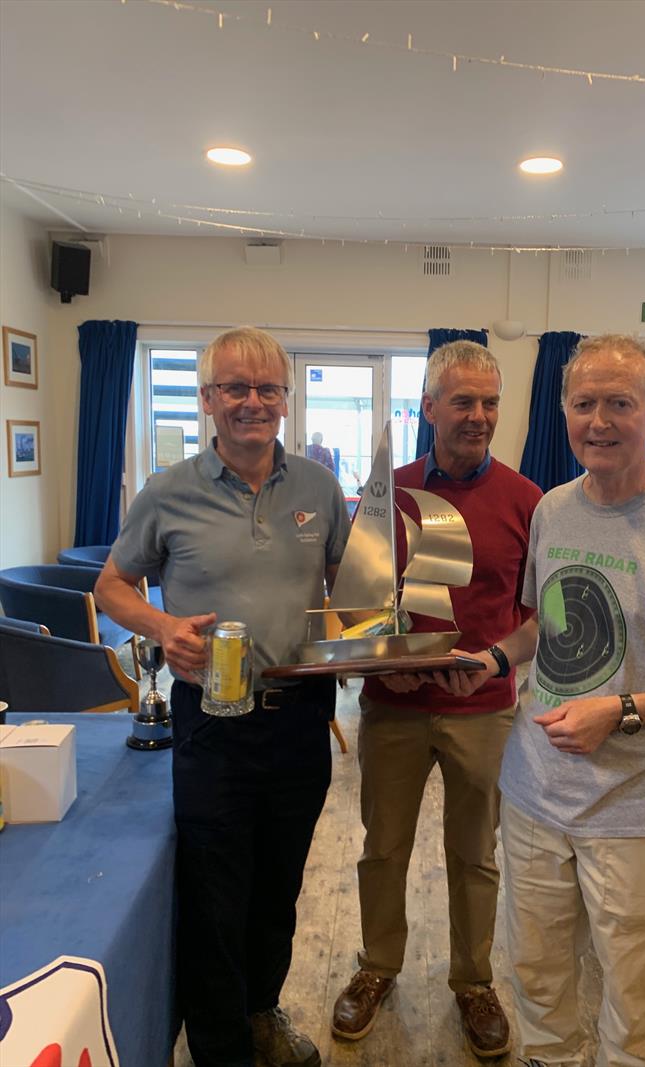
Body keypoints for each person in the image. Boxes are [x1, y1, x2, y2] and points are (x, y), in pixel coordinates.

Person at [432, 335, 645, 1066]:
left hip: (639, 812)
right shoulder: (554, 509)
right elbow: (545, 622)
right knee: (541, 991)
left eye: (620, 402)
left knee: (632, 1013)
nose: (599, 420)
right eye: (583, 403)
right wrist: (495, 657)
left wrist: (620, 711)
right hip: (533, 797)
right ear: (564, 411)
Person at [95, 327, 351, 1067]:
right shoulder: (168, 491)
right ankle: (220, 1047)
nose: (252, 402)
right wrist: (163, 626)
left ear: (285, 397)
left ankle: (260, 1012)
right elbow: (111, 584)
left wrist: (374, 637)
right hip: (211, 720)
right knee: (214, 891)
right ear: (206, 398)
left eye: (267, 388)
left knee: (278, 884)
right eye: (235, 388)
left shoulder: (318, 486)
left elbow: (353, 593)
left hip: (300, 717)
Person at [330, 340, 543, 1058]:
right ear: (428, 408)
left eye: (490, 402)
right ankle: (376, 967)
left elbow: (542, 616)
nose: (479, 415)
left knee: (475, 853)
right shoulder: (384, 496)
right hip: (393, 710)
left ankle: (473, 981)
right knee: (383, 848)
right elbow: (353, 611)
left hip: (484, 710)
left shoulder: (527, 499)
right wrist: (369, 665)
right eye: (463, 401)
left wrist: (492, 660)